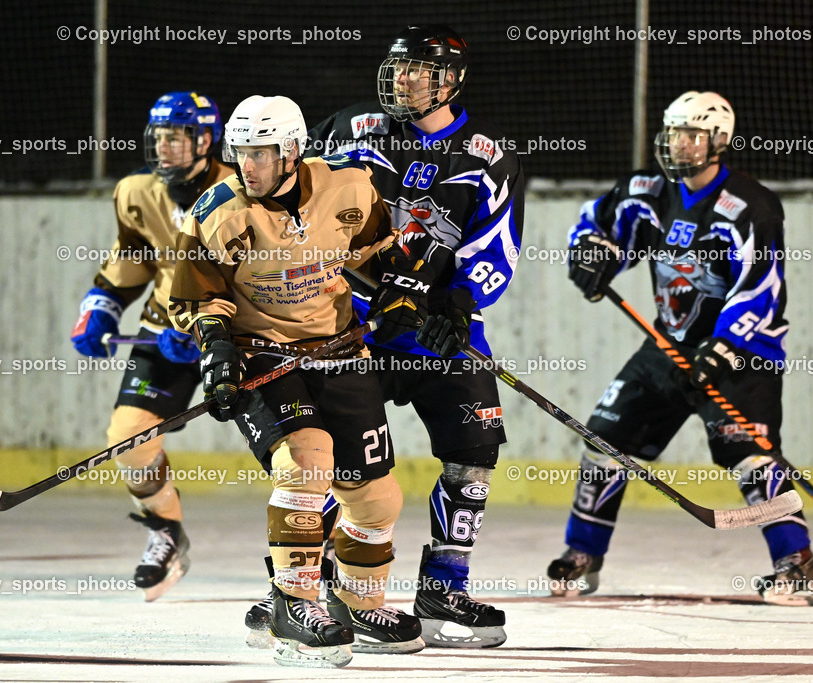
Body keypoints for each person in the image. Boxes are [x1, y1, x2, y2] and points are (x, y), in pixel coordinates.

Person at [244, 25, 525, 649]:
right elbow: (299, 207)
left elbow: (497, 250)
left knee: (474, 450)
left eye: (418, 70)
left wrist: (454, 302)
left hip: (435, 333)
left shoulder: (487, 156)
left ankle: (444, 587)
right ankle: (295, 589)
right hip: (354, 331)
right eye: (397, 68)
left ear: (448, 79)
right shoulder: (351, 131)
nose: (402, 78)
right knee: (341, 461)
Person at [169, 94, 425, 667]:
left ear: (292, 151)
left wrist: (405, 295)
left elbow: (381, 252)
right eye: (239, 153)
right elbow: (196, 295)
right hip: (263, 355)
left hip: (339, 350)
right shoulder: (218, 211)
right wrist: (217, 352)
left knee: (377, 496)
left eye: (260, 153)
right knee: (306, 466)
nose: (247, 166)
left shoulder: (350, 190)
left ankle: (357, 604)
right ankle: (293, 605)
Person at [546, 90, 813, 607]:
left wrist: (724, 348)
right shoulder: (648, 190)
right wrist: (591, 256)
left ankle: (799, 566)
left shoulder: (750, 206)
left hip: (743, 354)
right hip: (667, 347)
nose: (680, 144)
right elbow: (596, 226)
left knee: (752, 459)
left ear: (719, 140)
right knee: (604, 440)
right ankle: (583, 555)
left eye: (692, 135)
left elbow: (761, 287)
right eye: (674, 132)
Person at [69, 91, 233, 601]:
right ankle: (165, 529)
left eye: (176, 138)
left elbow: (258, 273)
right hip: (166, 330)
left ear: (205, 140)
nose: (163, 148)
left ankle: (324, 551)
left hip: (240, 337)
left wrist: (209, 330)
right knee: (130, 435)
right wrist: (100, 307)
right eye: (158, 137)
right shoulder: (137, 192)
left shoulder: (240, 190)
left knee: (295, 449)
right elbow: (133, 257)